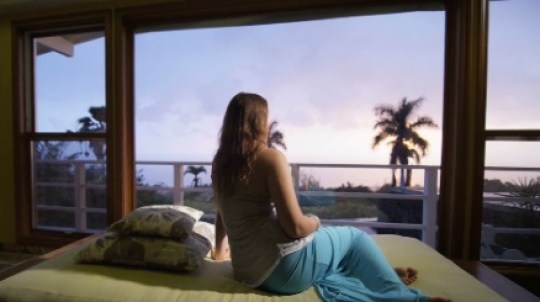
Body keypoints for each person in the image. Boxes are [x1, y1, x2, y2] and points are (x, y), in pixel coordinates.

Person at [211, 92, 451, 302]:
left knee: (332, 248)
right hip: (283, 270)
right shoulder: (269, 158)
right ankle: (404, 297)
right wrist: (315, 221)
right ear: (259, 123)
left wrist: (219, 250)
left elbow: (222, 209)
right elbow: (295, 227)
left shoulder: (220, 163)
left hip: (247, 272)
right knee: (354, 238)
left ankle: (379, 272)